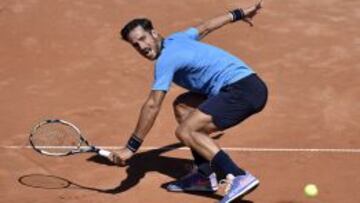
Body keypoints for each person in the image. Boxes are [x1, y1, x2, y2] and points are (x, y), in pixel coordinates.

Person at [112, 0, 267, 202]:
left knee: (186, 131)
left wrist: (130, 148)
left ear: (154, 33)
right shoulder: (178, 38)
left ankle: (237, 175)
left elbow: (152, 105)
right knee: (183, 107)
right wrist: (238, 14)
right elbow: (206, 26)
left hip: (242, 90)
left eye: (143, 38)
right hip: (246, 86)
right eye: (135, 44)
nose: (141, 46)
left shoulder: (166, 60)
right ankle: (204, 176)